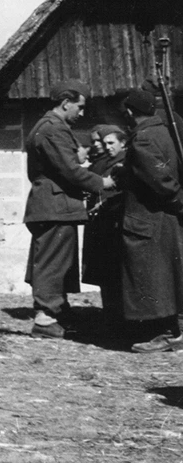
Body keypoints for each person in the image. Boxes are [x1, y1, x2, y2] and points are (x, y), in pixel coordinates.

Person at [23, 79, 114, 339]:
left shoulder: (49, 127)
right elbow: (69, 170)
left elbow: (62, 162)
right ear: (65, 103)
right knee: (52, 262)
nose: (82, 113)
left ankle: (55, 312)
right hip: (55, 205)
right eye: (80, 107)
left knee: (55, 260)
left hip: (53, 204)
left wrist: (78, 156)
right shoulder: (53, 129)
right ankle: (45, 318)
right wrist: (102, 182)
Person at [119, 89, 183, 353]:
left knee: (158, 278)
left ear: (131, 112)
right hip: (168, 217)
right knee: (172, 274)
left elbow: (159, 179)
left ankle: (170, 334)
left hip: (151, 219)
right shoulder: (171, 131)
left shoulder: (143, 139)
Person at [81, 124, 127, 328]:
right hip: (101, 223)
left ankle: (119, 319)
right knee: (105, 274)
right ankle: (111, 317)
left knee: (115, 273)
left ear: (122, 143)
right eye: (101, 142)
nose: (103, 146)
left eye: (110, 142)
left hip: (114, 222)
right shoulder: (103, 163)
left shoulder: (124, 162)